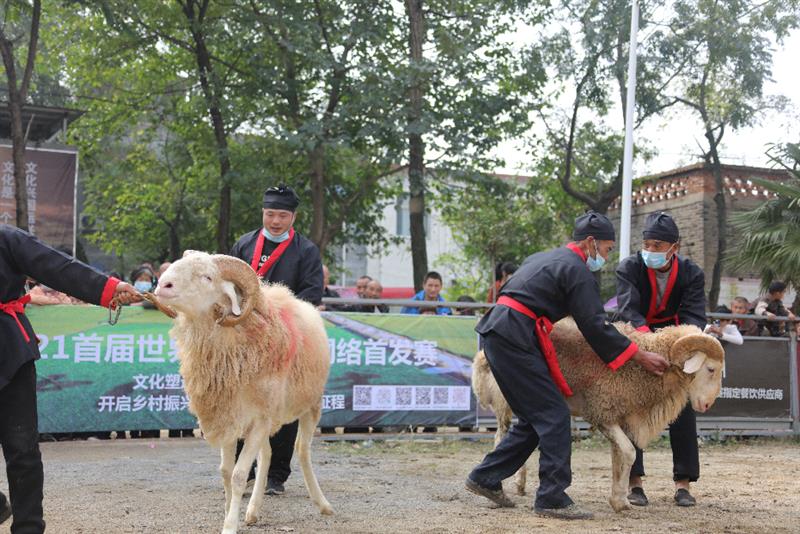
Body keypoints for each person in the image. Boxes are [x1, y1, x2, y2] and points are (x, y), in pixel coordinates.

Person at [465, 211, 668, 520]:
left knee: (536, 418)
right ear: (590, 243)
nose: (607, 256)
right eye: (607, 249)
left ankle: (486, 477)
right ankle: (552, 497)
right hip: (515, 336)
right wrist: (639, 355)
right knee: (554, 414)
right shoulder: (577, 270)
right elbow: (595, 326)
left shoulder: (544, 257)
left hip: (500, 332)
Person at [0, 224, 140, 534]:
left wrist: (108, 288)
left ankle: (29, 527)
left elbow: (56, 266)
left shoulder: (6, 239)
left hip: (9, 351)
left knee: (21, 447)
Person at [229, 184, 323, 496]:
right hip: (246, 341)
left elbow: (312, 294)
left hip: (287, 339)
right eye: (270, 214)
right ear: (263, 213)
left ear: (294, 217)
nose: (276, 221)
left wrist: (278, 313)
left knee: (283, 403)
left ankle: (276, 475)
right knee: (245, 402)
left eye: (282, 215)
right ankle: (247, 470)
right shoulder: (244, 244)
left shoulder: (305, 251)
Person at [614, 211, 707, 508]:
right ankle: (634, 482)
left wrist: (675, 345)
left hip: (677, 344)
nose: (651, 251)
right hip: (638, 342)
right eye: (648, 244)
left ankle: (683, 483)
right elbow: (628, 309)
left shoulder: (692, 273)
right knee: (632, 408)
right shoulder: (629, 267)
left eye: (658, 246)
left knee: (681, 408)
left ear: (674, 248)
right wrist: (647, 344)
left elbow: (694, 315)